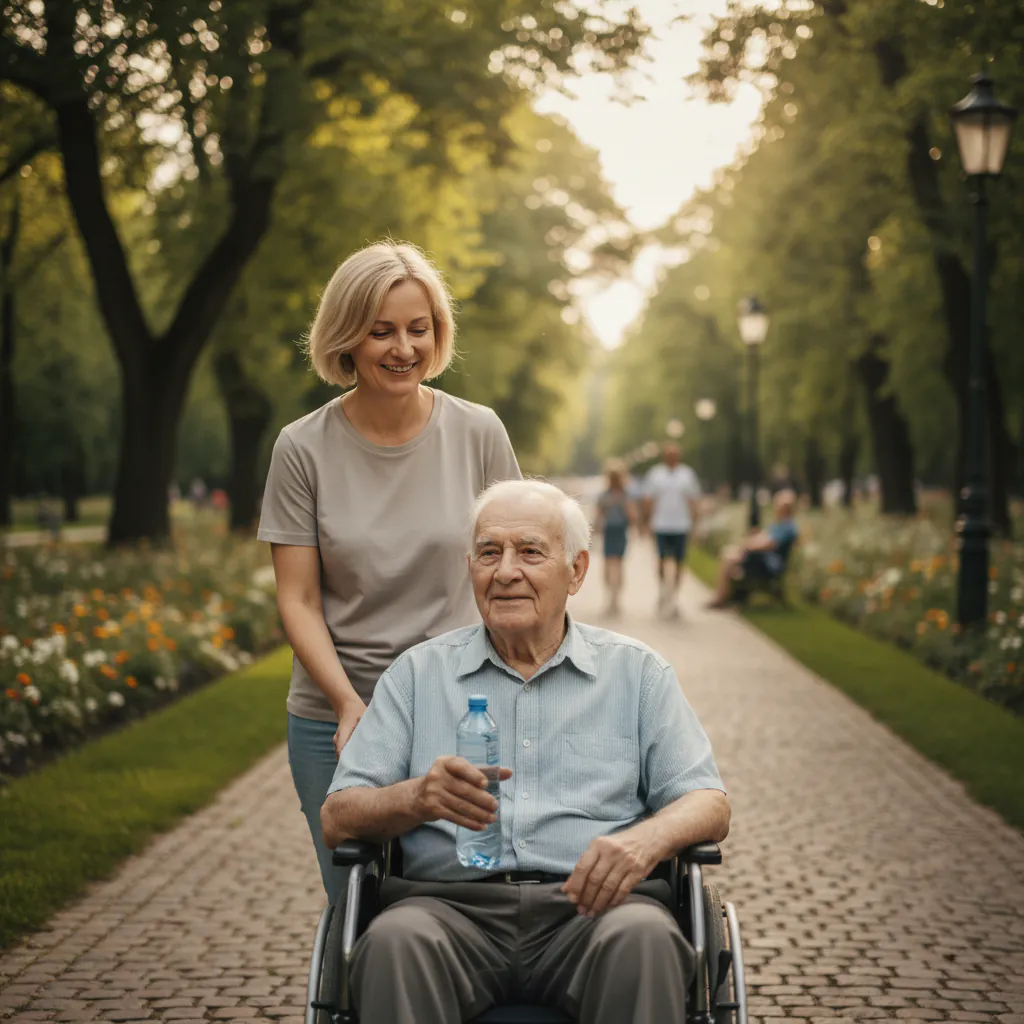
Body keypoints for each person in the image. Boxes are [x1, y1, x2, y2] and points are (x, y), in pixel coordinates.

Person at [321, 479, 730, 1024]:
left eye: (530, 552)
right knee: (394, 941)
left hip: (600, 911)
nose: (506, 571)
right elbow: (338, 816)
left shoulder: (637, 674)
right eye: (489, 552)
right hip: (447, 910)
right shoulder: (417, 675)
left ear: (577, 571)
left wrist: (646, 840)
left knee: (647, 939)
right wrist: (416, 797)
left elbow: (709, 801)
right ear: (471, 568)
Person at [257, 241, 521, 904]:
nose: (403, 347)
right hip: (340, 717)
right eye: (382, 331)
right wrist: (348, 702)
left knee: (463, 900)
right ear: (347, 337)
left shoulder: (479, 432)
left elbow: (517, 569)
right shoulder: (302, 447)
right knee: (358, 911)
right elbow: (298, 599)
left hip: (465, 711)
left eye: (418, 328)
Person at [706, 489, 799, 608]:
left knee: (730, 559)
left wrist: (748, 546)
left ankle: (720, 598)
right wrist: (751, 542)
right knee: (730, 555)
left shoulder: (787, 526)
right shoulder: (779, 524)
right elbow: (764, 538)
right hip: (763, 559)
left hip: (769, 564)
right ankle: (724, 596)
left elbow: (769, 544)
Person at [642, 442, 701, 619]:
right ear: (664, 456)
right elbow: (648, 499)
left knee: (679, 562)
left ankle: (674, 596)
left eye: (674, 455)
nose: (671, 458)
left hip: (681, 525)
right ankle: (663, 591)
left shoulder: (687, 474)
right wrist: (646, 521)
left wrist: (696, 522)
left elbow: (693, 499)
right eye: (669, 455)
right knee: (661, 560)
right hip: (660, 524)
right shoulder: (655, 474)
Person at [594, 459, 635, 617]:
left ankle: (612, 596)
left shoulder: (605, 496)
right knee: (617, 564)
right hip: (618, 531)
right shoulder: (625, 496)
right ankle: (614, 597)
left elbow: (598, 516)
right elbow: (632, 516)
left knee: (610, 564)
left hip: (611, 531)